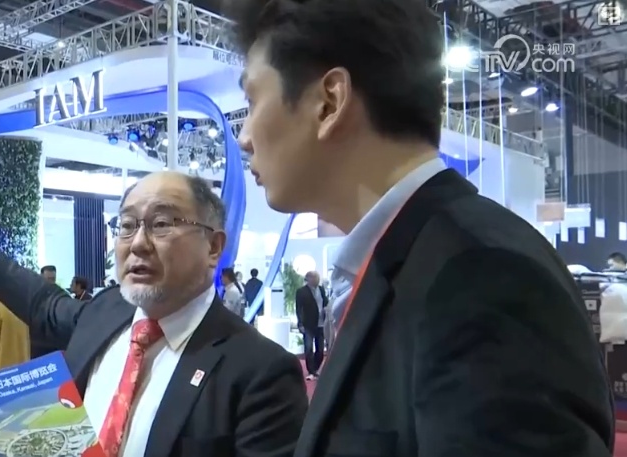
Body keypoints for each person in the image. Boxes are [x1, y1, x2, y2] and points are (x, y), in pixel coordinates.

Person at [228, 0, 614, 454]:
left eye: (251, 101)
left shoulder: (479, 278)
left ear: (329, 102)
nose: (243, 137)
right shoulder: (411, 261)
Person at [0, 173, 307, 456]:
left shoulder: (261, 372)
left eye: (162, 224)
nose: (138, 243)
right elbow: (43, 303)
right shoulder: (107, 310)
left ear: (213, 247)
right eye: (128, 225)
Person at [294, 271, 327, 380]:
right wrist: (300, 323)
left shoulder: (321, 289)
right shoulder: (301, 292)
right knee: (308, 348)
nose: (317, 280)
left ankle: (315, 368)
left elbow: (325, 303)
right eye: (315, 278)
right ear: (309, 279)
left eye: (317, 277)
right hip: (308, 324)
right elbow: (299, 309)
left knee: (320, 349)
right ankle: (311, 370)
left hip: (321, 323)